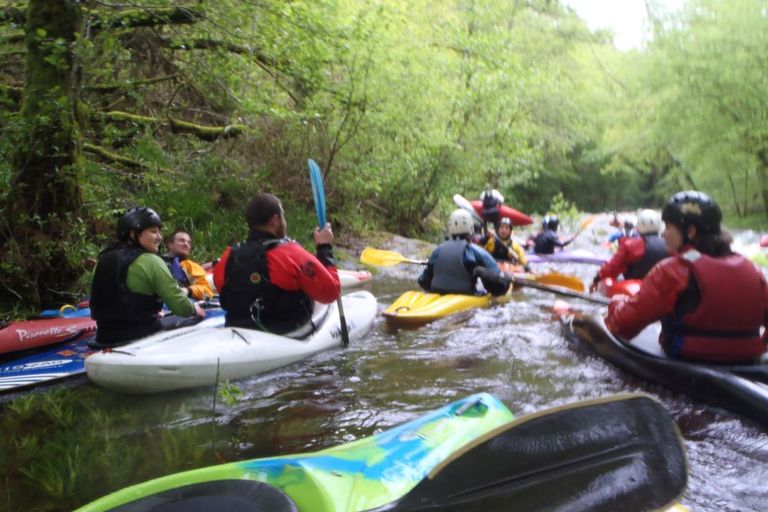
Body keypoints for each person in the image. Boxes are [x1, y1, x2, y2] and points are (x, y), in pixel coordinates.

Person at [606, 191, 768, 363]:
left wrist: (616, 303)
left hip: (690, 360)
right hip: (749, 361)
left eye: (668, 227)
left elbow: (622, 325)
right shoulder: (753, 269)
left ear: (690, 232)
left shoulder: (671, 271)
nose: (663, 234)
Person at [213, 193, 341, 334]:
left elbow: (220, 287)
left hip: (238, 329)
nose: (284, 221)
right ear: (274, 221)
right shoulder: (291, 254)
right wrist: (324, 248)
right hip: (286, 333)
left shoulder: (228, 256)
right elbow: (331, 292)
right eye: (283, 216)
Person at [90, 207, 205, 348]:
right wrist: (193, 308)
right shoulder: (152, 261)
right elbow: (179, 306)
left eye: (159, 231)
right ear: (133, 234)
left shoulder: (103, 259)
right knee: (196, 317)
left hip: (104, 337)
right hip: (140, 336)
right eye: (153, 231)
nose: (159, 237)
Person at [418, 209, 511, 296]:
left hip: (437, 292)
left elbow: (423, 281)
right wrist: (506, 277)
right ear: (471, 228)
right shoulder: (477, 251)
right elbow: (499, 284)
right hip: (465, 294)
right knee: (503, 278)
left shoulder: (437, 251)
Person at [590, 209, 668, 292]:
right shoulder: (669, 244)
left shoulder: (631, 245)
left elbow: (612, 266)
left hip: (635, 288)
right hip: (661, 288)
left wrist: (597, 279)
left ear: (640, 225)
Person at [163, 229, 215, 300]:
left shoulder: (191, 266)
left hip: (183, 301)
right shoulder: (157, 261)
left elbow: (207, 291)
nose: (186, 244)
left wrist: (188, 290)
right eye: (182, 240)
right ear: (170, 244)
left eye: (189, 242)